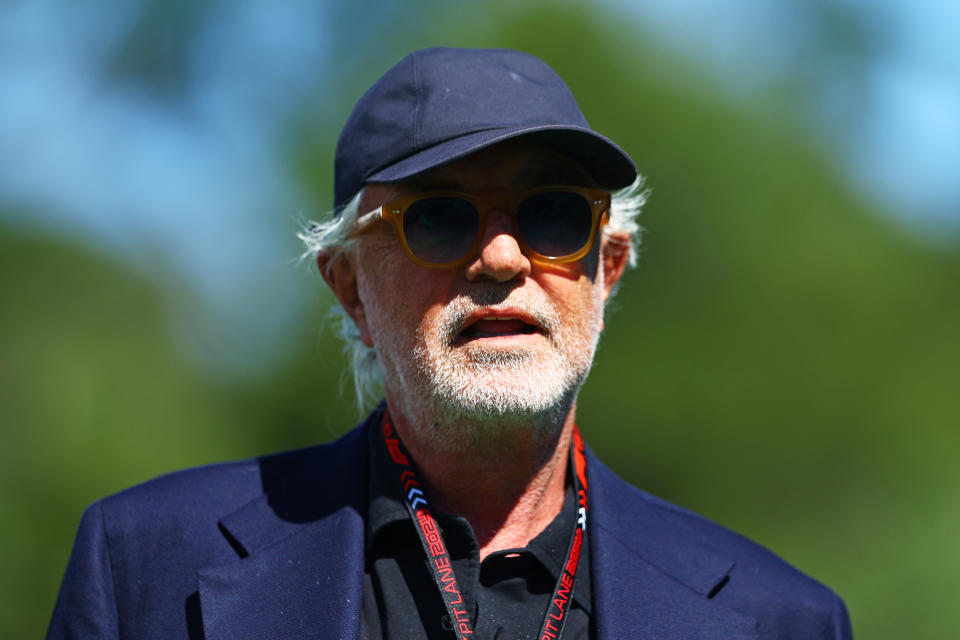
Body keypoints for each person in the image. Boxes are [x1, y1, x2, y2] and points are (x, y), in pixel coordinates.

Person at [47, 47, 852, 640]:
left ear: (606, 270)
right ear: (351, 286)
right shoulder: (144, 568)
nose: (502, 257)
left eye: (552, 215)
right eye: (438, 215)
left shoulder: (782, 619)